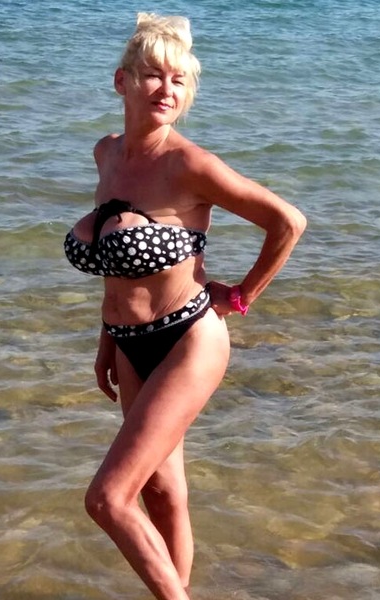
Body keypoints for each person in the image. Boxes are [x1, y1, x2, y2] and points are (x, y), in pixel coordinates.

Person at [63, 12, 306, 600]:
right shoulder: (107, 154)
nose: (166, 90)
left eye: (179, 80)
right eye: (153, 75)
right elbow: (117, 265)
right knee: (161, 493)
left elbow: (287, 222)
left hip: (188, 339)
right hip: (129, 345)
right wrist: (107, 339)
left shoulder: (189, 164)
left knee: (108, 498)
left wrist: (241, 295)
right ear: (121, 81)